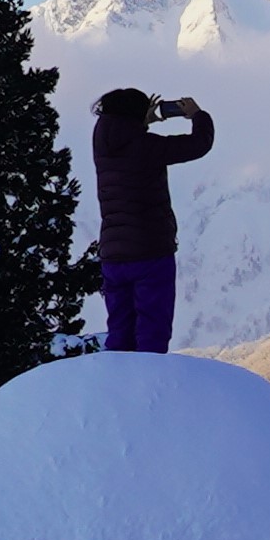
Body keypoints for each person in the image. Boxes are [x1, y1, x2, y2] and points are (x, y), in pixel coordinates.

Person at [90, 88, 217, 352]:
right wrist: (197, 115)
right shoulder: (146, 147)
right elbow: (198, 144)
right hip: (150, 253)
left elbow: (128, 138)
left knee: (120, 332)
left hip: (112, 255)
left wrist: (142, 122)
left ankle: (115, 386)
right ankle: (147, 389)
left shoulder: (103, 144)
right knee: (152, 333)